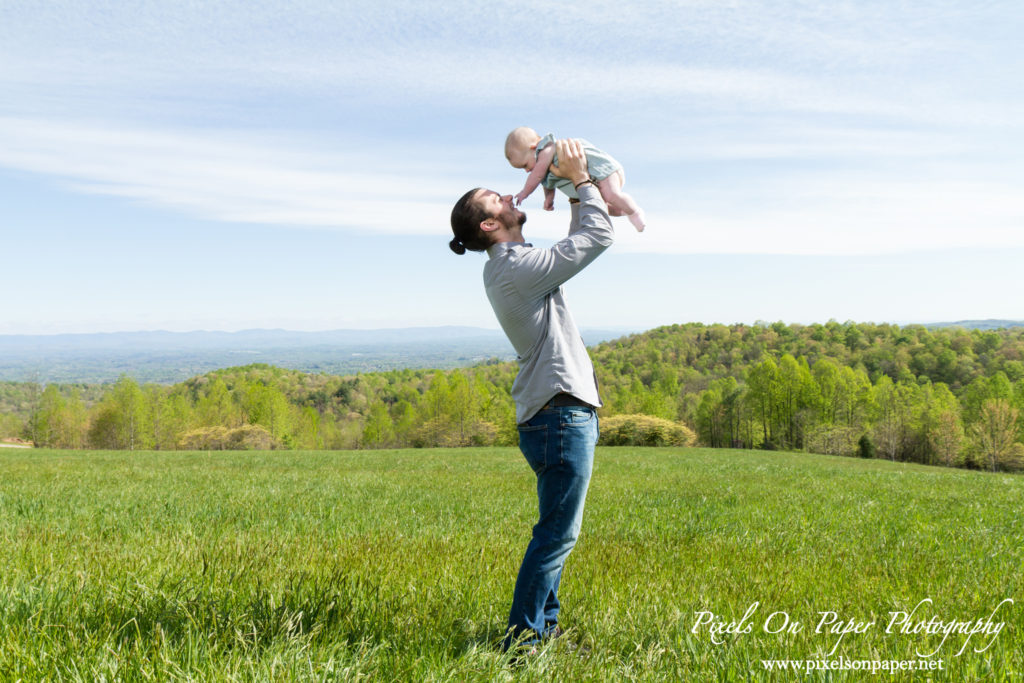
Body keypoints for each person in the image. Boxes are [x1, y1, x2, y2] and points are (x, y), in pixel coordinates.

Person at [449, 139, 614, 653]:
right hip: (559, 413)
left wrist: (567, 190)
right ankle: (522, 641)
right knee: (556, 535)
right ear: (489, 226)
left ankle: (544, 629)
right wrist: (582, 180)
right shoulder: (515, 267)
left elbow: (576, 240)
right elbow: (598, 236)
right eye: (497, 198)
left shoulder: (512, 263)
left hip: (552, 414)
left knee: (556, 532)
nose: (508, 196)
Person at [505, 126, 646, 232]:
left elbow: (537, 175)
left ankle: (634, 211)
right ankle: (624, 210)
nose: (527, 170)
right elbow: (547, 182)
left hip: (601, 170)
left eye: (525, 165)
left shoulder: (546, 148)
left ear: (533, 147)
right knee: (600, 206)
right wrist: (549, 199)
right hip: (592, 180)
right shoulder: (543, 164)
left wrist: (525, 192)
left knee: (611, 195)